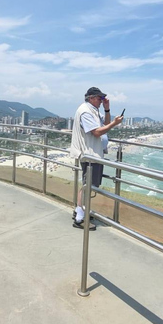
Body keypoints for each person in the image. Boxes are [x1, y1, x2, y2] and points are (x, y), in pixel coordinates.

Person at [69, 87, 123, 230]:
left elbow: (104, 124)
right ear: (91, 98)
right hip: (89, 155)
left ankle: (80, 210)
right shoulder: (86, 112)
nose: (101, 101)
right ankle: (80, 218)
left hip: (94, 154)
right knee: (88, 185)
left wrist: (107, 109)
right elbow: (97, 132)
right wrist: (115, 124)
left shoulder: (92, 110)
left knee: (89, 184)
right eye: (99, 98)